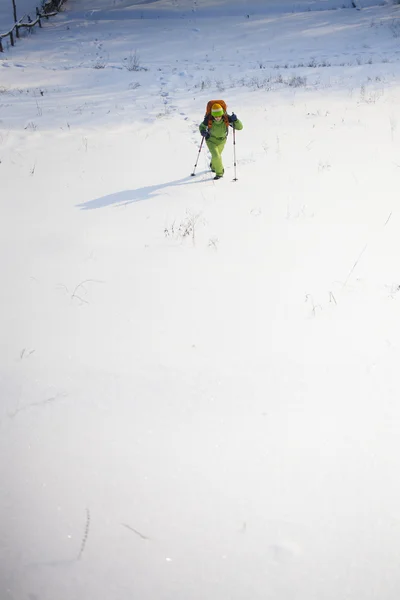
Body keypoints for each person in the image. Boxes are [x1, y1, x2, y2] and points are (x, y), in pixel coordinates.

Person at [199, 103, 243, 180]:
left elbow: (239, 127)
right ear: (213, 115)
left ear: (222, 114)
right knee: (216, 155)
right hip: (211, 140)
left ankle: (213, 166)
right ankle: (219, 173)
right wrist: (202, 131)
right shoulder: (208, 119)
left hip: (222, 141)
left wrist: (236, 120)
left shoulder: (227, 118)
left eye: (219, 116)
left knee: (216, 155)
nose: (217, 118)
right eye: (215, 116)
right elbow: (202, 126)